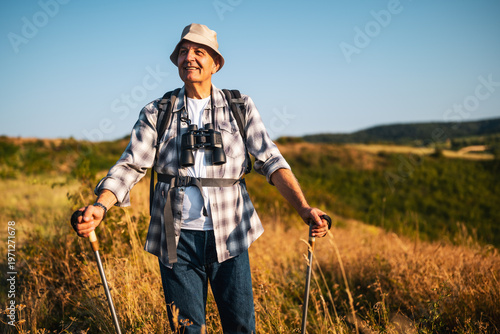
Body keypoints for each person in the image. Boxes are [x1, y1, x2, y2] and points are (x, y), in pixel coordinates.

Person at [73, 23, 330, 333]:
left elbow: (270, 160)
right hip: (174, 236)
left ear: (215, 63)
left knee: (240, 327)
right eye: (183, 52)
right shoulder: (158, 111)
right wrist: (101, 206)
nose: (189, 58)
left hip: (231, 232)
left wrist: (304, 208)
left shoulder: (240, 106)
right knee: (186, 329)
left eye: (199, 51)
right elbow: (131, 165)